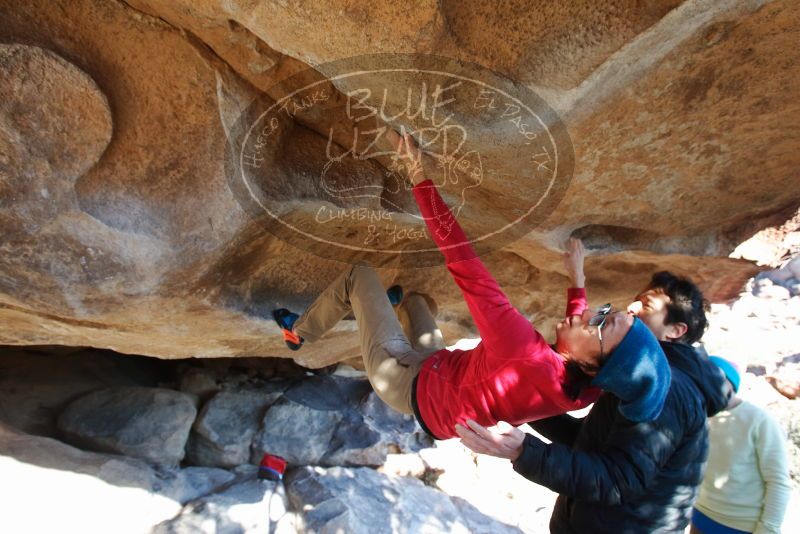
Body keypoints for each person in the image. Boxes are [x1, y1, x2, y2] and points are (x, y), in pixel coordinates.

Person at [272, 130, 670, 440]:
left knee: (360, 275)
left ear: (591, 363)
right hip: (441, 378)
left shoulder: (524, 351)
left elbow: (461, 257)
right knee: (418, 300)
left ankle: (298, 331)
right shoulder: (590, 389)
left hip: (406, 384)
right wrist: (576, 280)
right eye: (605, 312)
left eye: (602, 324)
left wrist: (417, 174)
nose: (590, 315)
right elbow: (576, 345)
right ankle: (387, 306)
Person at [456, 270, 733, 533]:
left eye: (646, 305)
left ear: (675, 330)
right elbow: (590, 441)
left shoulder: (666, 389)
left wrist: (523, 452)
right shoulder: (639, 377)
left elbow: (619, 479)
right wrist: (524, 403)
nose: (631, 308)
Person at [691, 356, 791, 534]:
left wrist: (768, 528)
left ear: (729, 383)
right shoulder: (700, 415)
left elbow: (778, 481)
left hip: (742, 524)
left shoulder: (760, 420)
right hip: (701, 513)